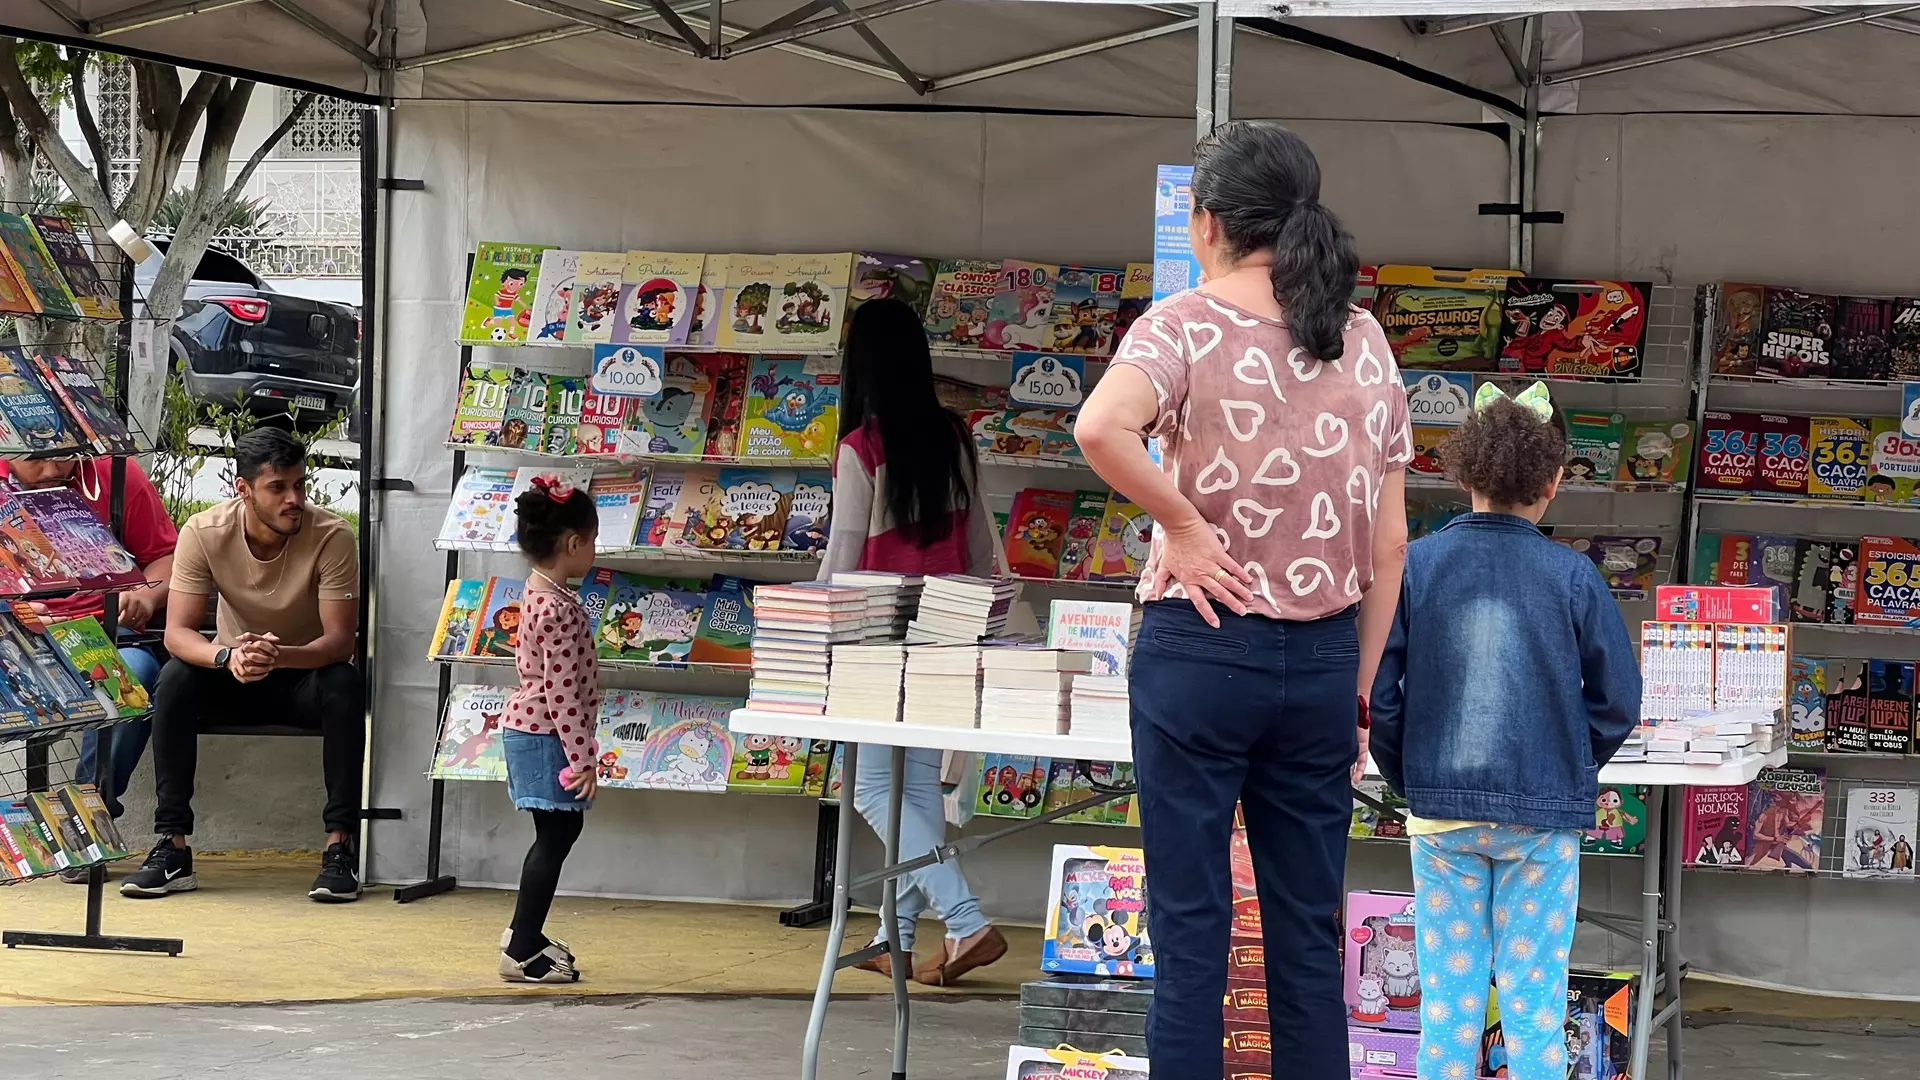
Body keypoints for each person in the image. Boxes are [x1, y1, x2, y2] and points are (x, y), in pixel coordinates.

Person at [1075, 120, 1412, 1078]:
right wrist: (1354, 690)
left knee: (1192, 936)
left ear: (1209, 221)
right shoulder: (1365, 336)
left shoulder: (1182, 322)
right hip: (1319, 666)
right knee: (1309, 938)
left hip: (1200, 650)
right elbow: (1390, 545)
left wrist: (1180, 525)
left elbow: (1101, 429)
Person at [1368, 382, 1640, 1080]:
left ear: (1461, 475)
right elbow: (1618, 701)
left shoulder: (1417, 567)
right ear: (1552, 483)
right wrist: (1570, 764)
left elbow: (1381, 695)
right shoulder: (1574, 576)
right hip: (1541, 827)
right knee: (1535, 1008)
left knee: (1447, 1013)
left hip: (1441, 819)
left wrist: (1411, 778)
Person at [817, 297, 1007, 986]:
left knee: (872, 791)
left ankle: (965, 921)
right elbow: (983, 546)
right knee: (916, 792)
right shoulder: (955, 436)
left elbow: (842, 560)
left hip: (880, 640)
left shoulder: (861, 449)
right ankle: (892, 937)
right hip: (950, 631)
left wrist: (807, 627)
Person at [122, 426, 365, 903]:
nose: (293, 498)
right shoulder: (205, 532)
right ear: (244, 490)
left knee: (344, 682)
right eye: (278, 487)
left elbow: (339, 643)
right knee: (173, 680)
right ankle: (173, 847)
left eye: (300, 484)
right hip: (231, 676)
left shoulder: (332, 535)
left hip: (302, 680)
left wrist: (276, 656)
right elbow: (177, 634)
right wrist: (229, 657)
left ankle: (340, 848)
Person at [0, 454, 175, 878]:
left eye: (63, 457)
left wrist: (147, 598)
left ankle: (84, 822)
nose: (52, 471)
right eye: (35, 460)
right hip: (16, 635)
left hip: (106, 633)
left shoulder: (116, 476)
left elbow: (168, 559)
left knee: (129, 681)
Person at [497, 474, 601, 983]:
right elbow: (562, 695)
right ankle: (521, 947)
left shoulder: (541, 591)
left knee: (556, 832)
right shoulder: (558, 609)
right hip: (546, 736)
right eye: (593, 540)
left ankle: (526, 931)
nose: (594, 551)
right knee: (557, 834)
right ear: (573, 543)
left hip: (536, 731)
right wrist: (582, 759)